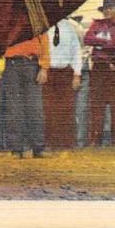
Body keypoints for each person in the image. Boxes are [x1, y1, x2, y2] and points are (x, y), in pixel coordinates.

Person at [83, 0, 115, 147]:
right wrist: (105, 42)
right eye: (106, 8)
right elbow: (87, 39)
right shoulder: (96, 24)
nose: (108, 10)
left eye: (111, 8)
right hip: (99, 67)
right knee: (96, 103)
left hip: (114, 67)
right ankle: (96, 137)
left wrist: (100, 42)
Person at [3, 34, 51, 158]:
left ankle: (38, 147)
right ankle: (16, 148)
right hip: (11, 64)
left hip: (32, 63)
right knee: (13, 108)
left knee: (35, 108)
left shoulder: (36, 17)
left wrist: (44, 67)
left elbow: (44, 42)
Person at [43, 18, 83, 150]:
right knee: (48, 108)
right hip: (48, 71)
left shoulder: (70, 28)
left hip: (65, 72)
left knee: (66, 108)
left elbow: (77, 51)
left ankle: (66, 143)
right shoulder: (42, 27)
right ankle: (50, 143)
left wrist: (77, 74)